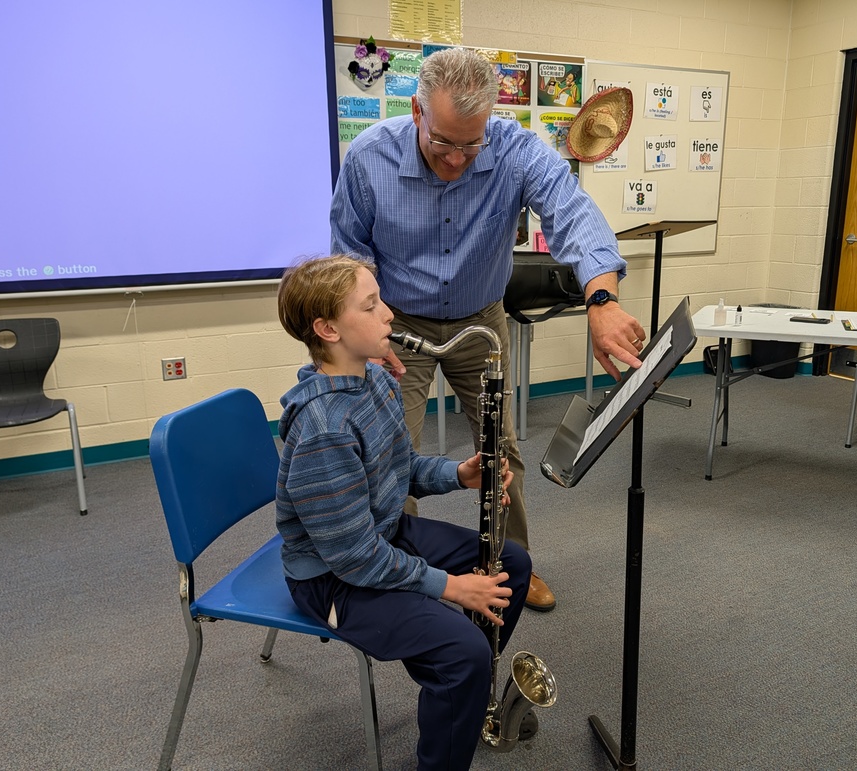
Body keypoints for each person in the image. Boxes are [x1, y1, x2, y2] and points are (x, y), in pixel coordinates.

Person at [330, 46, 646, 612]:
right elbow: (350, 257)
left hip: (480, 318)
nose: (457, 158)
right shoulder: (369, 157)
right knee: (389, 452)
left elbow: (573, 213)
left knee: (501, 449)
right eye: (443, 142)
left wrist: (601, 299)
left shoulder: (516, 149)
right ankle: (402, 572)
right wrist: (364, 334)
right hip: (395, 323)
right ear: (417, 111)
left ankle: (510, 564)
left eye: (471, 144)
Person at [275, 254, 533, 771]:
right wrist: (450, 588)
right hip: (334, 578)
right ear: (328, 330)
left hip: (382, 536)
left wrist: (459, 474)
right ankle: (457, 680)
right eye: (371, 305)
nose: (389, 314)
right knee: (464, 652)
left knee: (513, 563)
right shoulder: (325, 430)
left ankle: (458, 690)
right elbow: (354, 559)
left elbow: (402, 467)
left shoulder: (375, 380)